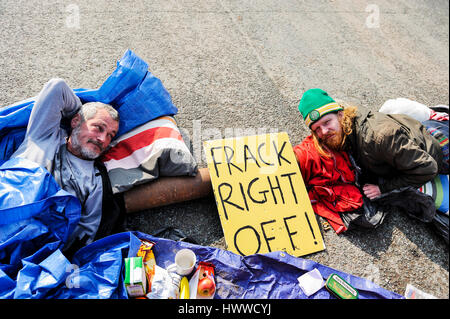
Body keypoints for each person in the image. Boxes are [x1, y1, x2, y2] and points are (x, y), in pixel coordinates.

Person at [293, 88, 449, 235]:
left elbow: (428, 168)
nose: (324, 132)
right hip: (411, 137)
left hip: (438, 153)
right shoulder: (349, 124)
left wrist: (383, 188)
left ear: (340, 114)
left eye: (327, 122)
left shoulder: (378, 139)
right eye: (317, 129)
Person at [12, 78, 125, 254]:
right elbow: (56, 87)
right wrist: (77, 115)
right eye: (98, 128)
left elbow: (87, 234)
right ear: (75, 122)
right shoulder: (45, 135)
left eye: (111, 135)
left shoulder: (95, 181)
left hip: (26, 247)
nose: (103, 140)